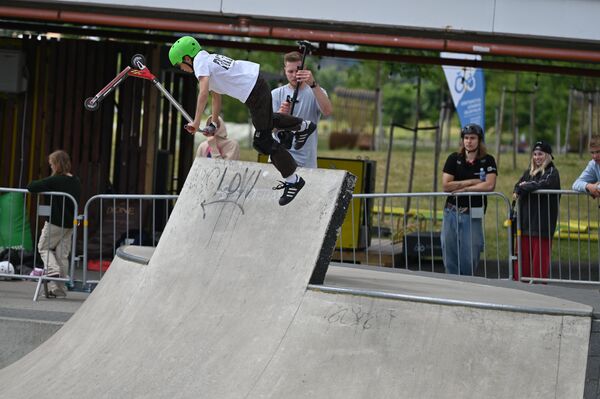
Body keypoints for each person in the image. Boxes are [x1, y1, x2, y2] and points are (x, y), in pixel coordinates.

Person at [169, 36, 316, 206]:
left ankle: (293, 180)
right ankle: (304, 126)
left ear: (188, 58)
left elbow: (202, 94)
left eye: (180, 65)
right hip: (256, 87)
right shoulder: (209, 59)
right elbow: (215, 96)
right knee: (268, 121)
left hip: (255, 92)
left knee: (263, 141)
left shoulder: (199, 63)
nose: (183, 69)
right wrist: (214, 123)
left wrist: (195, 122)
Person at [441, 123, 497, 276]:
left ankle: (467, 286)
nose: (468, 141)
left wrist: (464, 190)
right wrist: (472, 181)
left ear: (479, 140)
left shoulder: (488, 160)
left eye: (472, 138)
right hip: (451, 212)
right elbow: (446, 186)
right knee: (449, 252)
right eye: (466, 138)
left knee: (470, 255)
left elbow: (489, 185)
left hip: (472, 214)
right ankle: (452, 286)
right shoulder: (453, 158)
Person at [27, 150, 81, 298]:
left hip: (55, 223)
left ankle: (52, 270)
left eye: (51, 165)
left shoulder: (55, 180)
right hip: (70, 224)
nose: (50, 167)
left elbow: (31, 187)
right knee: (62, 254)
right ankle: (59, 289)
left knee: (43, 247)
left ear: (56, 165)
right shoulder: (76, 180)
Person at [271, 51, 332, 168]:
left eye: (298, 71)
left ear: (305, 69)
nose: (294, 75)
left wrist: (313, 84)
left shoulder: (317, 91)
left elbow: (328, 111)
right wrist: (279, 116)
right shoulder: (275, 94)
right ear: (285, 70)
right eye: (290, 71)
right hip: (279, 160)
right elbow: (267, 129)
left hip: (306, 162)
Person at [512, 141, 560, 281]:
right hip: (525, 224)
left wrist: (525, 186)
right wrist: (520, 188)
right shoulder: (529, 172)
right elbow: (517, 185)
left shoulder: (552, 172)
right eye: (535, 154)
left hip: (542, 225)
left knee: (540, 264)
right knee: (521, 263)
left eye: (540, 154)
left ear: (548, 156)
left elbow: (543, 184)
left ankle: (540, 291)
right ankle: (519, 288)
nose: (537, 157)